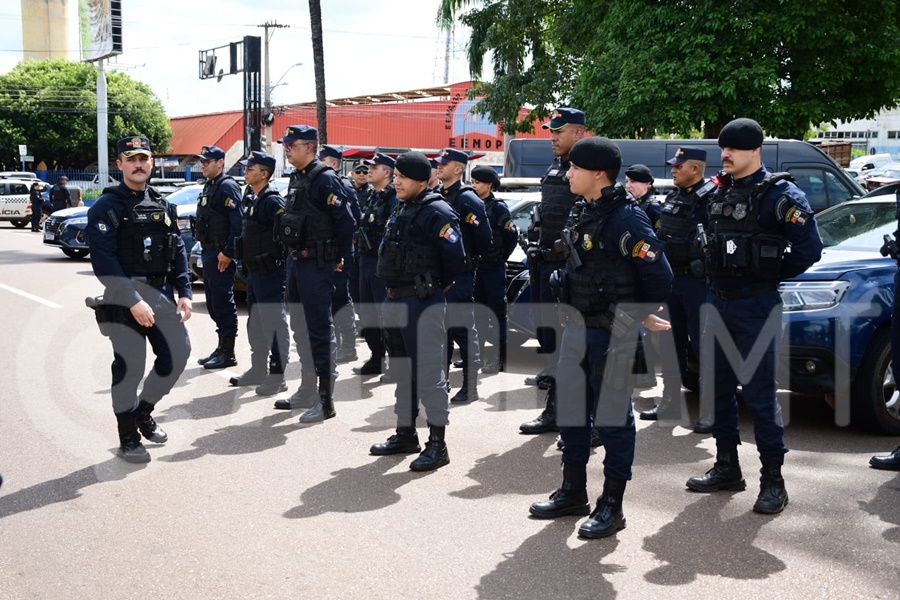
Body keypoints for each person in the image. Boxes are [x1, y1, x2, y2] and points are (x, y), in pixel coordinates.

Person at [528, 136, 672, 538]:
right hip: (577, 328)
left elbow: (660, 278)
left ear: (598, 173)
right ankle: (573, 491)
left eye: (575, 167)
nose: (568, 173)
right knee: (573, 416)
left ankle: (613, 505)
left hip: (614, 333)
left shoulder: (627, 218)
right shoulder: (583, 211)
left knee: (612, 422)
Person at [687, 118, 823, 515]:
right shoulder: (716, 192)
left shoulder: (780, 195)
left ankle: (773, 481)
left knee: (762, 396)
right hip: (717, 301)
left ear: (755, 151)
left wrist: (769, 274)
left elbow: (809, 248)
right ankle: (727, 466)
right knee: (718, 390)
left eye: (733, 149)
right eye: (723, 148)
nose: (725, 155)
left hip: (756, 306)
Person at [85, 135, 192, 463]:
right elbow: (104, 261)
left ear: (152, 162)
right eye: (131, 159)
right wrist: (133, 300)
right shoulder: (107, 207)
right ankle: (128, 438)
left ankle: (143, 412)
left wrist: (185, 292)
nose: (139, 164)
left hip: (160, 295)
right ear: (119, 164)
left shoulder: (163, 203)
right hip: (123, 299)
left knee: (178, 354)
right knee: (130, 369)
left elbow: (179, 250)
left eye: (144, 158)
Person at [369, 151, 465, 471]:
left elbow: (455, 259)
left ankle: (437, 445)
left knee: (428, 375)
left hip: (422, 304)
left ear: (422, 181)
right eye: (395, 175)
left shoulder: (437, 211)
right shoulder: (403, 207)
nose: (396, 181)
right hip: (396, 300)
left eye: (403, 177)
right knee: (402, 370)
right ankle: (405, 433)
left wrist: (437, 285)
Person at [274, 125, 356, 422]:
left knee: (320, 331)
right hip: (297, 263)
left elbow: (346, 223)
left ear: (309, 147)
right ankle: (307, 389)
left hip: (317, 265)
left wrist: (340, 258)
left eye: (291, 145)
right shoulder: (298, 178)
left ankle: (325, 400)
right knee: (300, 328)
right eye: (285, 144)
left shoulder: (326, 179)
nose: (286, 149)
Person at [639, 147, 716, 433]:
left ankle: (710, 409)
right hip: (673, 282)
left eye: (678, 166)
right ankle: (670, 400)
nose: (673, 170)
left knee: (704, 347)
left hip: (699, 284)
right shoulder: (673, 196)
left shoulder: (711, 198)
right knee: (670, 344)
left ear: (695, 169)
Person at [520, 107, 586, 434]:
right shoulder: (557, 167)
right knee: (550, 330)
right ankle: (553, 379)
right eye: (551, 132)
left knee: (570, 339)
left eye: (559, 132)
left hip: (568, 264)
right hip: (545, 260)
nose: (552, 138)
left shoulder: (588, 167)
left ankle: (565, 413)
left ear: (578, 133)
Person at [228, 151, 291, 396]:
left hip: (270, 272)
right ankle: (258, 369)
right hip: (254, 273)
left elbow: (286, 236)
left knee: (273, 323)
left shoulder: (272, 201)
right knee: (256, 323)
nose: (245, 171)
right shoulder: (254, 199)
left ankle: (278, 376)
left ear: (264, 174)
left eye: (250, 168)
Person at [437, 147, 492, 403]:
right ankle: (442, 381)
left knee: (461, 330)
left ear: (458, 169)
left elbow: (484, 238)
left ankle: (470, 386)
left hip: (460, 275)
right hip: (441, 274)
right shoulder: (438, 195)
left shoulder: (467, 199)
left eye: (444, 163)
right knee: (441, 331)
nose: (439, 166)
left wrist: (467, 260)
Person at [193, 144, 243, 370]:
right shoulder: (210, 187)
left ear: (220, 162)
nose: (202, 165)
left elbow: (238, 223)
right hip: (209, 252)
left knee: (222, 302)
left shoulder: (227, 186)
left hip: (221, 253)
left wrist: (229, 253)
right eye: (201, 162)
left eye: (207, 161)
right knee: (213, 303)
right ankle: (221, 347)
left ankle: (228, 352)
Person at [352, 152, 397, 378]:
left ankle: (396, 361)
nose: (368, 170)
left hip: (383, 266)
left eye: (374, 167)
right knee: (367, 312)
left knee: (386, 315)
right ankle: (377, 357)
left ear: (387, 173)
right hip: (365, 262)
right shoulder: (373, 197)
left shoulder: (394, 200)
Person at [470, 165, 518, 373]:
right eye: (472, 182)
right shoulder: (472, 204)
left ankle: (497, 358)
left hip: (493, 267)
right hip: (477, 267)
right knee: (478, 313)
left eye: (477, 183)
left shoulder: (498, 207)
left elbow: (511, 237)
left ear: (489, 185)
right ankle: (476, 356)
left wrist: (501, 258)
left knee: (496, 314)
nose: (473, 186)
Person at [319, 144, 361, 363]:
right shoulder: (319, 182)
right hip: (325, 254)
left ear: (334, 163)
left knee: (340, 299)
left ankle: (349, 347)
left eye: (322, 159)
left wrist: (342, 253)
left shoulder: (342, 185)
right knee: (328, 300)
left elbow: (352, 221)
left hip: (339, 254)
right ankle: (333, 343)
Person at [624, 164, 661, 390]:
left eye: (634, 182)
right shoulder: (631, 206)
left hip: (645, 274)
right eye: (627, 181)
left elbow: (656, 244)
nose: (629, 186)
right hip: (632, 272)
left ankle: (646, 374)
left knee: (642, 326)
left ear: (647, 184)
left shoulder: (653, 208)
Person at [347, 161, 372, 307]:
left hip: (365, 243)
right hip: (350, 242)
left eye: (365, 172)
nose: (362, 175)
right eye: (358, 172)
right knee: (352, 281)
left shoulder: (372, 193)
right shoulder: (347, 190)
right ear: (352, 174)